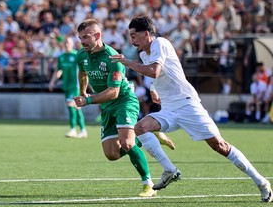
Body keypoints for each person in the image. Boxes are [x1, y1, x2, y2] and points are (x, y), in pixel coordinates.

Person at [110, 16, 272, 203]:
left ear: (146, 34)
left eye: (134, 35)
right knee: (140, 128)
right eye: (130, 36)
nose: (131, 41)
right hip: (169, 108)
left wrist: (126, 62)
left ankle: (261, 182)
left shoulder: (160, 43)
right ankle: (170, 170)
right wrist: (154, 89)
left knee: (219, 145)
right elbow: (160, 73)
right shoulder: (144, 54)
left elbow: (154, 70)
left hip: (187, 105)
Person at [73, 19, 175, 197]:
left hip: (124, 102)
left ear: (97, 36)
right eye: (81, 38)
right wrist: (82, 92)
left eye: (86, 37)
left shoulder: (113, 57)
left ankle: (148, 185)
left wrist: (88, 100)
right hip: (106, 106)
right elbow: (82, 72)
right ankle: (145, 137)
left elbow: (113, 92)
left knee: (127, 143)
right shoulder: (81, 55)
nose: (83, 41)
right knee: (111, 154)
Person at [49, 36, 87, 138]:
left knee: (71, 105)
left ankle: (73, 129)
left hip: (75, 85)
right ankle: (83, 130)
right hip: (66, 85)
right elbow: (59, 71)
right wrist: (52, 82)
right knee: (77, 108)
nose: (67, 44)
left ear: (72, 44)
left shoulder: (76, 55)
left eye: (69, 42)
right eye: (65, 42)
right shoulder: (61, 57)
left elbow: (83, 69)